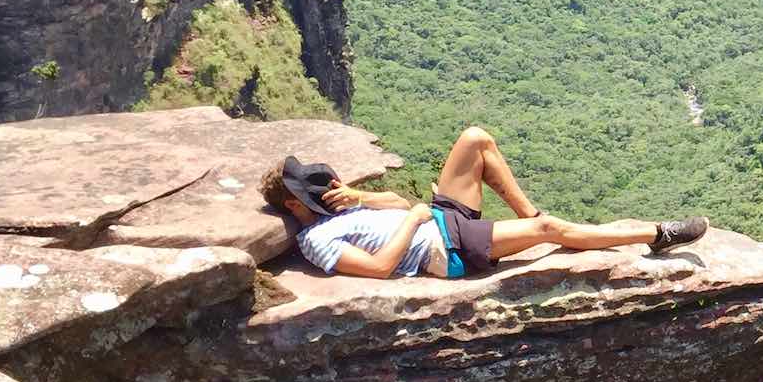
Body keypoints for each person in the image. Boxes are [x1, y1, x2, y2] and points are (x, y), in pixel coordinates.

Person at [259, 124, 707, 280]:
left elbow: (397, 200)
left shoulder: (339, 208)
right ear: (295, 206)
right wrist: (415, 220)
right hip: (443, 249)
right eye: (309, 193)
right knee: (550, 234)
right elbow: (379, 269)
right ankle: (658, 234)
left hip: (437, 219)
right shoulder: (316, 240)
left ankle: (529, 214)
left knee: (476, 139)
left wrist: (362, 196)